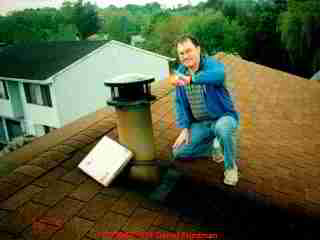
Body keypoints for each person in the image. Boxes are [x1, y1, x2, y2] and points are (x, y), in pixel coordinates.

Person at [170, 35, 240, 186]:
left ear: (198, 49)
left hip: (222, 117)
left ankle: (230, 167)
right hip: (200, 123)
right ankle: (213, 146)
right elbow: (179, 103)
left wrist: (192, 79)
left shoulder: (212, 65)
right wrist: (184, 128)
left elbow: (219, 75)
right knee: (179, 153)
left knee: (224, 129)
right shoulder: (180, 73)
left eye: (188, 51)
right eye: (181, 53)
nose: (185, 56)